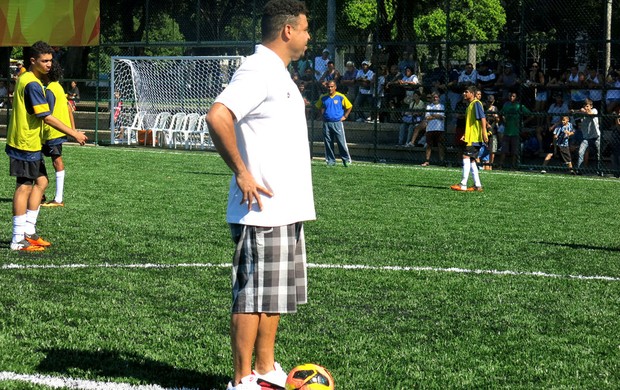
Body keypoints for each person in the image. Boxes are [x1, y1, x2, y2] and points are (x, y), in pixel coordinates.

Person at [204, 2, 315, 389]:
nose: (307, 36)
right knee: (252, 295)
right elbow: (218, 115)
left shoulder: (278, 73)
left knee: (274, 295)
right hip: (260, 210)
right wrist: (242, 172)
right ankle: (242, 379)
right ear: (287, 31)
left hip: (284, 208)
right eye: (304, 29)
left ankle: (266, 369)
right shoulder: (258, 70)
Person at [6, 41, 88, 251]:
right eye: (44, 61)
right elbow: (47, 117)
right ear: (33, 61)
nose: (49, 64)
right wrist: (74, 133)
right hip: (24, 142)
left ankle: (29, 231)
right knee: (24, 187)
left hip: (30, 142)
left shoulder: (28, 79)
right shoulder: (31, 83)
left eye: (50, 60)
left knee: (41, 182)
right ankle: (17, 239)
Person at [41, 60, 75, 207]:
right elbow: (68, 109)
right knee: (39, 160)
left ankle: (58, 199)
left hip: (52, 131)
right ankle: (41, 193)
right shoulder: (58, 87)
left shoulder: (50, 89)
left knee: (56, 161)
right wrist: (73, 130)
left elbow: (46, 112)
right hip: (56, 131)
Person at [451, 86, 488, 192]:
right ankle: (477, 185)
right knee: (471, 160)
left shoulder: (476, 103)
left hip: (475, 137)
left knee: (465, 156)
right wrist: (466, 134)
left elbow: (483, 118)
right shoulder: (470, 106)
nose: (464, 93)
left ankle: (463, 184)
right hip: (471, 136)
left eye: (466, 92)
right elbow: (472, 123)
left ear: (472, 93)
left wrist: (484, 132)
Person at [316, 80, 353, 166]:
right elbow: (318, 106)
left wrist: (345, 116)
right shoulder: (323, 97)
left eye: (332, 86)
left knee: (341, 142)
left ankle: (346, 160)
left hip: (337, 123)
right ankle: (331, 161)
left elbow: (349, 106)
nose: (330, 88)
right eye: (328, 86)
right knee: (328, 142)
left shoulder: (341, 96)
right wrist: (322, 115)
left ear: (335, 87)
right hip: (326, 123)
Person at [499, 91, 532, 169]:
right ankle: (500, 165)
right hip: (507, 131)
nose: (511, 98)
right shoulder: (506, 105)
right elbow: (501, 114)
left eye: (513, 96)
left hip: (516, 132)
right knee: (504, 150)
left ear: (516, 97)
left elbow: (530, 115)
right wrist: (503, 120)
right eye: (510, 96)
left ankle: (513, 166)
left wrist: (523, 122)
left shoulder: (519, 106)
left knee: (515, 151)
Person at [574, 98, 601, 172]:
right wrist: (579, 111)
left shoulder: (594, 110)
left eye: (587, 106)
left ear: (591, 106)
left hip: (596, 137)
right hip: (586, 138)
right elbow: (572, 112)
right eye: (585, 106)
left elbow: (590, 114)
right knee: (580, 152)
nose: (586, 107)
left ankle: (599, 170)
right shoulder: (582, 113)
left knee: (598, 155)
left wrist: (584, 111)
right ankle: (579, 170)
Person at [421, 92, 445, 166]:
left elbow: (442, 117)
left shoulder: (442, 106)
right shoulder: (429, 106)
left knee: (440, 145)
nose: (435, 98)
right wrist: (436, 115)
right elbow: (427, 117)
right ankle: (427, 160)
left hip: (439, 128)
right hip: (430, 128)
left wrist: (433, 115)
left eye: (436, 97)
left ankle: (441, 161)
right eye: (434, 97)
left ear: (439, 98)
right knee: (429, 145)